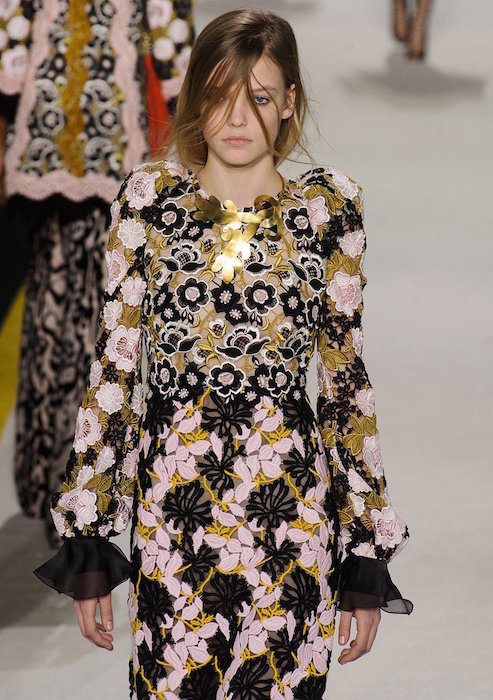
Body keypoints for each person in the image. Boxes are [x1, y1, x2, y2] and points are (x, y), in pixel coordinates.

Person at [33, 8, 413, 698]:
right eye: (217, 95)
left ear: (289, 102)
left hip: (291, 514)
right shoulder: (150, 204)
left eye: (258, 98)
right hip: (174, 514)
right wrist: (89, 530)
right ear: (193, 99)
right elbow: (115, 369)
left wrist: (363, 549)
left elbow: (344, 386)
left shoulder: (327, 212)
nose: (236, 119)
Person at [0, 1, 195, 546]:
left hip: (55, 136)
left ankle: (63, 479)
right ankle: (76, 483)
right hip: (84, 138)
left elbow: (11, 33)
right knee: (91, 319)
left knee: (65, 310)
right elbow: (171, 40)